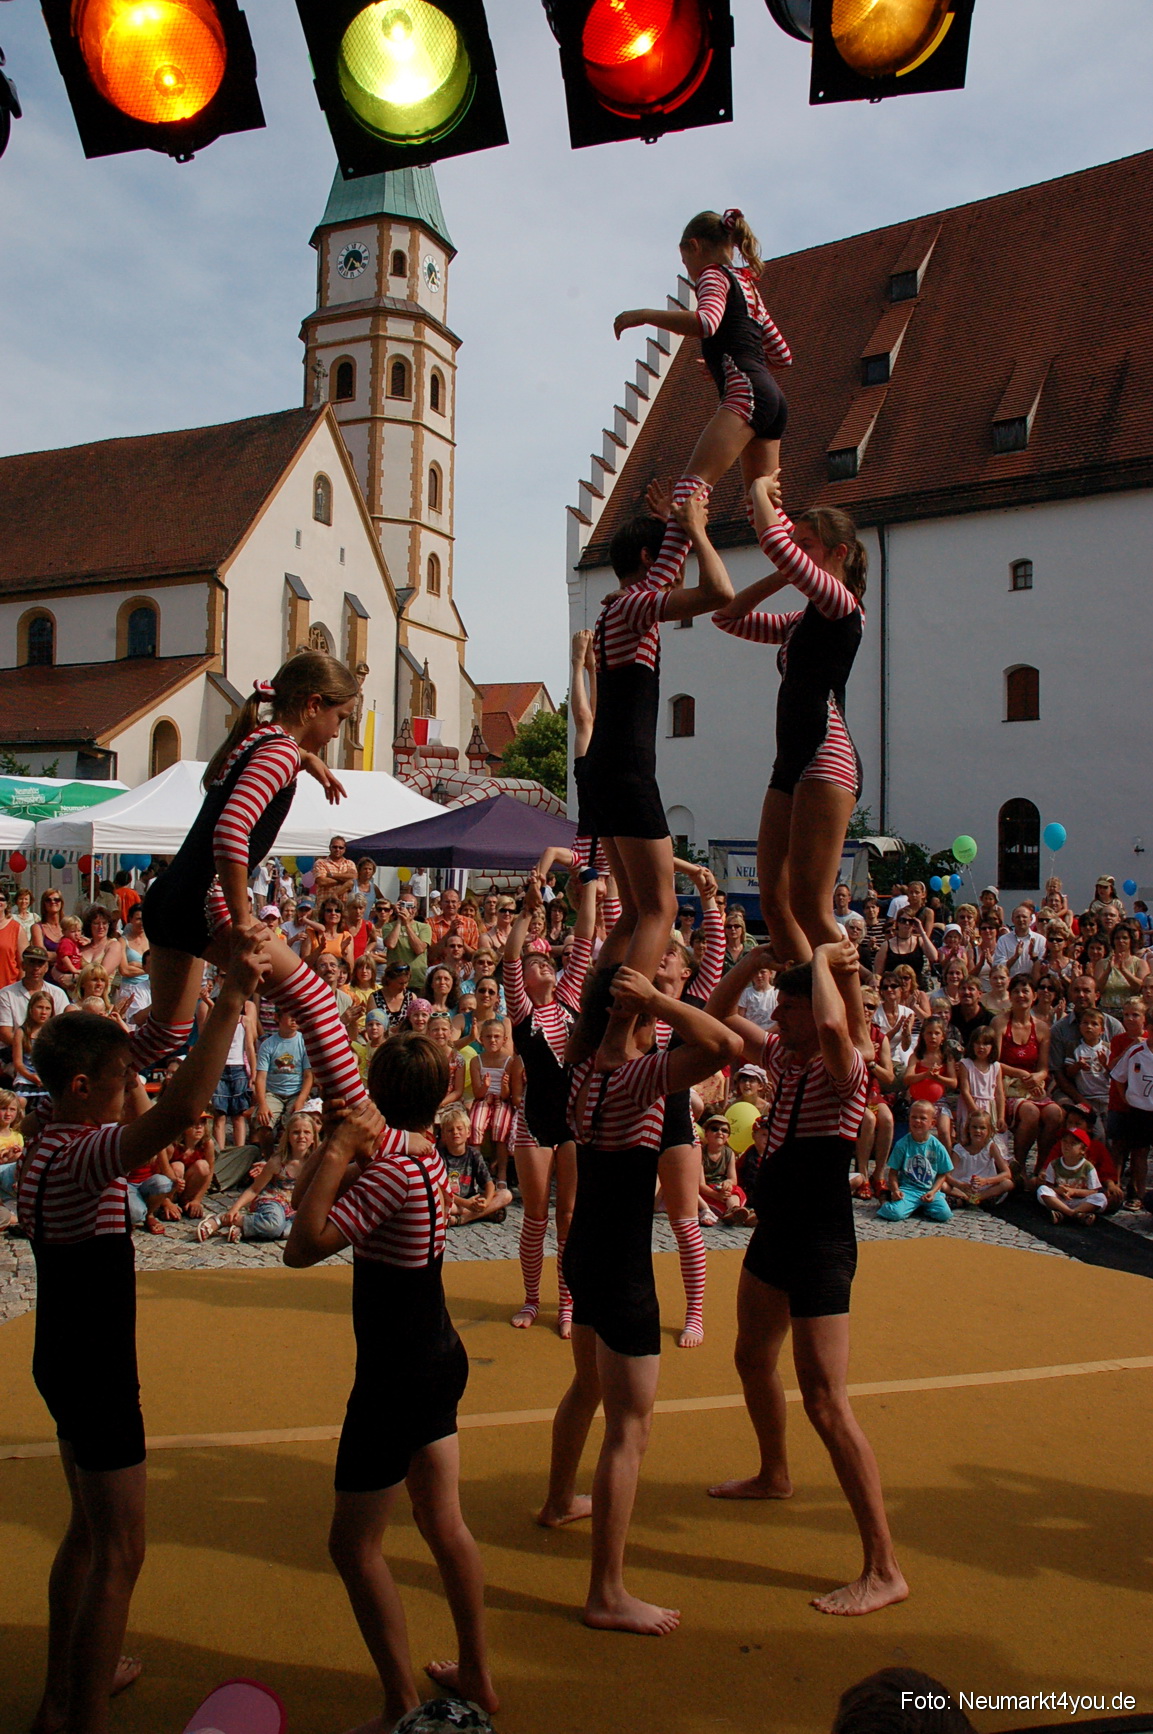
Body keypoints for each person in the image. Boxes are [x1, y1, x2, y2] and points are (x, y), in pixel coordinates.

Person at [17, 926, 268, 1734]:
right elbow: (185, 1109)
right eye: (123, 1080)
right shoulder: (81, 1153)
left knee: (86, 1536)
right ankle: (82, 1718)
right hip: (94, 1370)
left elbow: (154, 1069)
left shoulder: (48, 1142)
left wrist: (187, 960)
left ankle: (64, 1695)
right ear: (82, 1087)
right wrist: (231, 998)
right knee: (121, 1550)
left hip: (62, 1356)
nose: (134, 1087)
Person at [284, 1039, 499, 1726]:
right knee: (442, 1521)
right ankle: (477, 1672)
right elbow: (302, 1198)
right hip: (433, 1352)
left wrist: (341, 1151)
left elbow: (300, 1246)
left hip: (395, 1373)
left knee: (352, 1546)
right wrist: (335, 1148)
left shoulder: (389, 1172)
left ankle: (399, 1702)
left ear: (375, 1094)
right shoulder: (423, 1156)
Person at [536, 965, 741, 1640]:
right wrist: (657, 999)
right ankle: (607, 1591)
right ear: (630, 1018)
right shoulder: (635, 1077)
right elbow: (724, 1046)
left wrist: (646, 999)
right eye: (650, 1013)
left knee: (586, 1387)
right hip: (622, 1267)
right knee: (630, 1430)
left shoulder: (583, 1071)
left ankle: (558, 1500)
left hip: (584, 1253)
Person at [705, 936, 907, 1617]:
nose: (780, 1017)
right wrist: (750, 961)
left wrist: (821, 960)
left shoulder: (843, 1070)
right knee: (750, 1358)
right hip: (775, 1235)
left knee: (825, 1401)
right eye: (783, 1008)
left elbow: (832, 1027)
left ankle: (883, 1567)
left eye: (788, 1009)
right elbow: (717, 1012)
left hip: (821, 1243)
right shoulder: (781, 1061)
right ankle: (774, 1473)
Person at [138, 653, 368, 1114]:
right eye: (340, 718)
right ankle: (360, 1117)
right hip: (205, 900)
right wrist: (243, 921)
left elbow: (256, 776)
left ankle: (68, 1091)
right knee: (317, 1001)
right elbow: (230, 831)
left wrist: (306, 759)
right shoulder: (280, 751)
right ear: (313, 705)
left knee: (166, 1033)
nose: (338, 732)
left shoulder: (260, 739)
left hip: (168, 898)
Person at [579, 490, 733, 1066]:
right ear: (648, 558)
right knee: (659, 910)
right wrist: (695, 528)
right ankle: (616, 1038)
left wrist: (678, 525)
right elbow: (719, 593)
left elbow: (672, 575)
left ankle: (588, 1028)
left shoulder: (617, 606)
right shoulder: (635, 605)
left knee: (630, 916)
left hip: (606, 768)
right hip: (625, 769)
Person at [713, 481, 866, 966]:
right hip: (790, 761)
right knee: (774, 902)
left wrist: (759, 489)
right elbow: (728, 617)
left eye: (808, 546)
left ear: (839, 553)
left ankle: (850, 1001)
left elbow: (775, 543)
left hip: (826, 753)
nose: (797, 553)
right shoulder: (800, 621)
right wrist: (782, 573)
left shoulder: (842, 604)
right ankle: (804, 990)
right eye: (797, 544)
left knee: (810, 905)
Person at [612, 208, 790, 520]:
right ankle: (798, 552)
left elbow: (706, 322)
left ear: (694, 246)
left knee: (688, 494)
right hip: (771, 399)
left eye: (685, 263)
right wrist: (728, 358)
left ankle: (669, 555)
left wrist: (644, 316)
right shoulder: (748, 285)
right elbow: (781, 355)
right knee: (763, 510)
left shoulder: (713, 274)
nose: (690, 273)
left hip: (745, 393)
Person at [503, 872, 594, 1333]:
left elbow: (585, 938)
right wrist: (526, 911)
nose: (541, 965)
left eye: (546, 962)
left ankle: (569, 1303)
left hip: (574, 1123)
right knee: (536, 1216)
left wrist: (589, 886)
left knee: (569, 1217)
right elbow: (510, 957)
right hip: (534, 1122)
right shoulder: (523, 1012)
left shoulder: (571, 999)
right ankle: (531, 1299)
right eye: (534, 963)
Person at [993, 974, 1062, 1175]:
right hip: (1005, 1084)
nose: (1020, 995)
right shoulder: (1000, 1023)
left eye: (1025, 991)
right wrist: (1021, 1073)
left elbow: (1044, 1068)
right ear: (1010, 996)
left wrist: (1038, 1077)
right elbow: (993, 1062)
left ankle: (1041, 1168)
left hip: (1031, 1085)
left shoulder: (1041, 1028)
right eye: (1016, 991)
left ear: (1034, 996)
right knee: (1030, 1112)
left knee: (1055, 1113)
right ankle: (1019, 1167)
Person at [877, 1100, 954, 1223]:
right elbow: (893, 1172)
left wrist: (933, 1191)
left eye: (923, 1118)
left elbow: (942, 1174)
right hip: (908, 1190)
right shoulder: (902, 1144)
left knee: (945, 1214)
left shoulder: (937, 1146)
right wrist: (895, 1190)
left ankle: (920, 1207)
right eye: (914, 1117)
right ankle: (885, 1200)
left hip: (929, 1189)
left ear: (932, 1123)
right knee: (895, 1213)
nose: (917, 1121)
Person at [438, 1106, 513, 1226]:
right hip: (452, 1201)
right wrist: (466, 1203)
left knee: (506, 1195)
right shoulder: (440, 1156)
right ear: (443, 1135)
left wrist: (486, 1202)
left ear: (468, 1132)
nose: (455, 1133)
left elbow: (489, 1183)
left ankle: (463, 1219)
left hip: (472, 1199)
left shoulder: (474, 1154)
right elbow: (442, 1189)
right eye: (450, 1130)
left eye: (459, 1129)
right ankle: (485, 1213)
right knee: (438, 1202)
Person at [253, 1009, 314, 1145]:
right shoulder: (268, 1045)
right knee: (263, 1124)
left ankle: (289, 1154)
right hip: (273, 1094)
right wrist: (262, 1104)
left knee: (297, 1124)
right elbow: (261, 1077)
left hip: (296, 1093)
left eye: (296, 1016)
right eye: (290, 1016)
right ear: (277, 1018)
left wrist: (301, 1099)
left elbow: (308, 1075)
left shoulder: (304, 1042)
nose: (294, 1020)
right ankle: (268, 1155)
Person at [208, 993, 258, 1149]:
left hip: (238, 1068)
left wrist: (253, 1073)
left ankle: (239, 1150)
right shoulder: (218, 1020)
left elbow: (250, 1047)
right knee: (219, 1115)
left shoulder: (245, 1021)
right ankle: (220, 1151)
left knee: (238, 1115)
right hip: (219, 1069)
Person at [467, 1021, 515, 1186]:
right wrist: (485, 1086)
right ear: (481, 1039)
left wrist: (504, 1086)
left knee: (500, 1127)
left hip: (502, 1100)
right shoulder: (476, 1061)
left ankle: (502, 1174)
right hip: (483, 1099)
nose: (492, 1040)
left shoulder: (509, 1062)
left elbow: (507, 1096)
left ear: (504, 1039)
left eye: (497, 1037)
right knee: (475, 1126)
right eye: (488, 1037)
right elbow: (477, 1094)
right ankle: (476, 1173)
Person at [0, 946, 70, 1053]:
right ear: (23, 965)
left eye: (40, 963)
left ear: (46, 967)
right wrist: (32, 1050)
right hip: (14, 1051)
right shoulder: (6, 994)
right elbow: (5, 1033)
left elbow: (63, 1029)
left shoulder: (58, 994)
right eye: (32, 962)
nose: (36, 968)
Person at [1036, 1125, 1106, 1224]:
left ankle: (1066, 1214)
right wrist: (1058, 1190)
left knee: (1101, 1198)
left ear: (1083, 1150)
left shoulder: (1088, 1167)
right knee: (1042, 1190)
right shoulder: (1054, 1164)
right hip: (1060, 1200)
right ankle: (1073, 1214)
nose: (1066, 1145)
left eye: (1073, 1143)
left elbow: (1093, 1191)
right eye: (1064, 1141)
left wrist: (1074, 1192)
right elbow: (1049, 1186)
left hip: (1080, 1201)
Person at [945, 1109, 1013, 1208]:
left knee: (1008, 1184)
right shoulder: (959, 1149)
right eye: (974, 1127)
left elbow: (1007, 1173)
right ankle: (968, 1199)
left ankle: (973, 1199)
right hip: (963, 1188)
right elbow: (948, 1175)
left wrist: (986, 1181)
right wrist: (960, 1185)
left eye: (982, 1128)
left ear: (989, 1130)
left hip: (984, 1187)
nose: (978, 1131)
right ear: (968, 1129)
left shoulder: (991, 1147)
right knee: (943, 1185)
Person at [955, 1024, 1006, 1150]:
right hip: (971, 1106)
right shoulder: (966, 1064)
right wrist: (976, 1112)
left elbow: (999, 1093)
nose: (981, 1047)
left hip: (989, 1107)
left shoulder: (996, 1067)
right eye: (977, 1043)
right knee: (969, 1140)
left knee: (989, 1141)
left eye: (986, 1044)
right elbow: (965, 1091)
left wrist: (1001, 1116)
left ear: (993, 1046)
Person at [698, 1115, 749, 1223]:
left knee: (736, 1190)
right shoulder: (700, 1153)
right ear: (706, 1133)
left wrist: (728, 1183)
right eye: (714, 1129)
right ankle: (732, 1213)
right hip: (708, 1191)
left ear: (728, 1137)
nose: (720, 1132)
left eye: (724, 1131)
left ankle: (734, 1209)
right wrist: (716, 1195)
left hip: (722, 1189)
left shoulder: (729, 1153)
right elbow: (701, 1184)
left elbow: (733, 1178)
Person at [383, 892, 433, 991]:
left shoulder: (424, 927)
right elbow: (391, 944)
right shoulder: (389, 926)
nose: (408, 910)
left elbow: (419, 949)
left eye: (412, 906)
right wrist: (399, 921)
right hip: (394, 981)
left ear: (416, 909)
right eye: (405, 906)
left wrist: (407, 925)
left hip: (417, 982)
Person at [312, 835, 357, 905]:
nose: (337, 849)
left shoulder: (350, 863)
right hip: (325, 906)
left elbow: (354, 878)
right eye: (335, 847)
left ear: (344, 849)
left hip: (345, 906)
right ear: (330, 847)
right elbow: (322, 882)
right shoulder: (321, 863)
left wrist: (333, 875)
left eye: (340, 847)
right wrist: (346, 881)